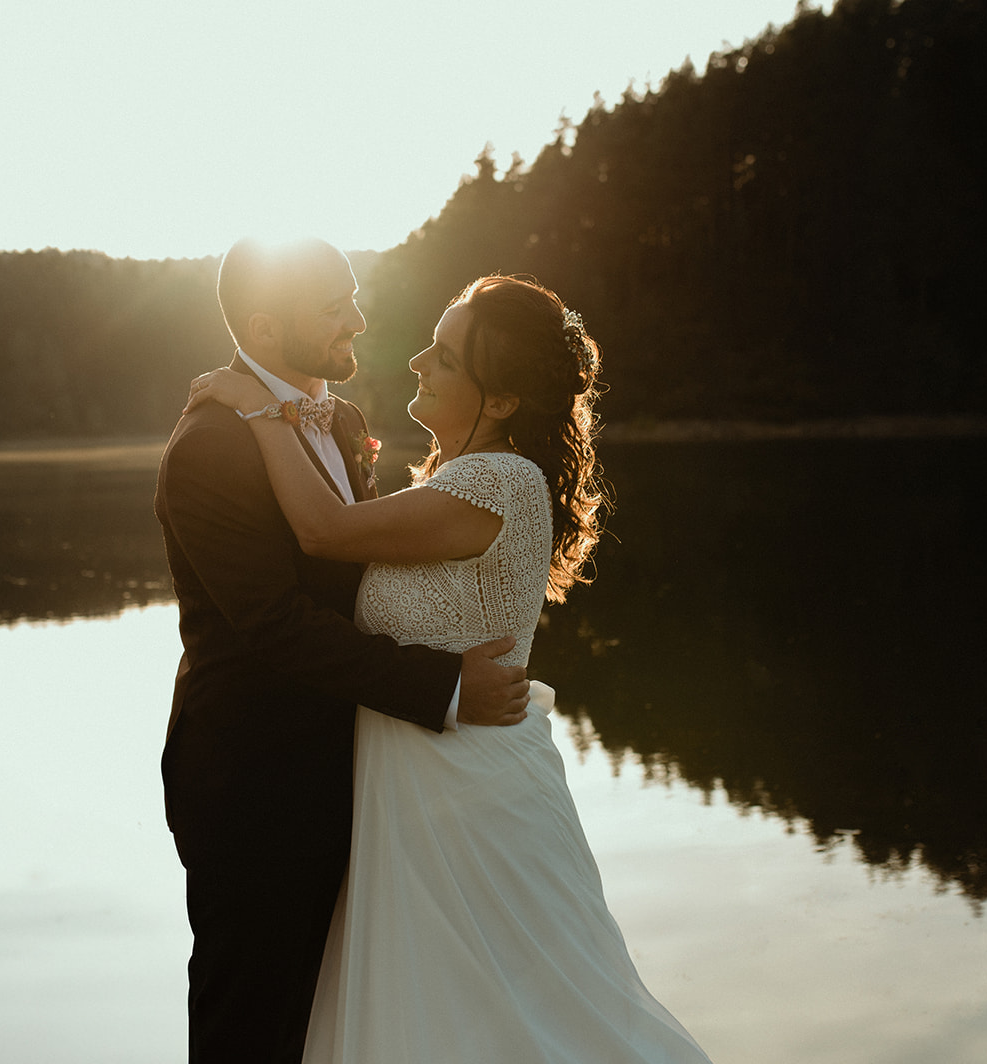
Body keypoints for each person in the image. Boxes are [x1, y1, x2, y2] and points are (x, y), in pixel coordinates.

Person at [184, 274, 714, 1062]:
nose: (417, 362)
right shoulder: (452, 478)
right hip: (413, 789)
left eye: (445, 356)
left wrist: (261, 410)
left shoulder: (495, 480)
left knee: (524, 1023)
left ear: (501, 400)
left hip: (470, 795)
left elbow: (324, 532)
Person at [153, 237, 532, 1064]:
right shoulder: (210, 445)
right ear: (264, 326)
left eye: (353, 297)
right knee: (251, 1029)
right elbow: (275, 625)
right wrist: (443, 686)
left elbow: (363, 571)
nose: (358, 321)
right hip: (257, 786)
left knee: (350, 1021)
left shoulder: (347, 420)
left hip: (364, 773)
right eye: (333, 309)